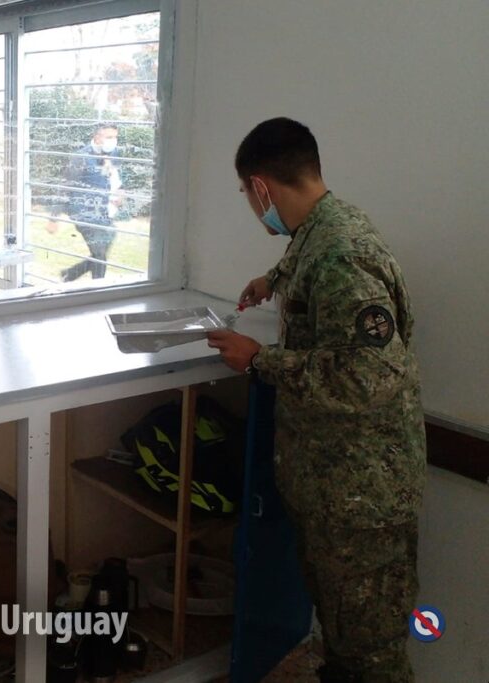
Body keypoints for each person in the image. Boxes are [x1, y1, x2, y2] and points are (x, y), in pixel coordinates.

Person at [206, 118, 425, 683]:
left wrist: (260, 359)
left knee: (372, 652)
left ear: (261, 187)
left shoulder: (341, 254)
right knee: (342, 635)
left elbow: (368, 375)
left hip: (362, 497)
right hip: (335, 492)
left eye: (246, 194)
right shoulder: (326, 226)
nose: (252, 208)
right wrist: (274, 279)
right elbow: (308, 260)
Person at [47, 123, 123, 281]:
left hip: (104, 212)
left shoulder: (113, 154)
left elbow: (116, 178)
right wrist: (53, 218)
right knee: (99, 253)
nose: (113, 141)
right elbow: (65, 187)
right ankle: (97, 288)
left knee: (103, 247)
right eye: (109, 137)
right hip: (84, 213)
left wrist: (120, 193)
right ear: (97, 137)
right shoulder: (81, 157)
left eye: (115, 137)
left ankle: (70, 274)